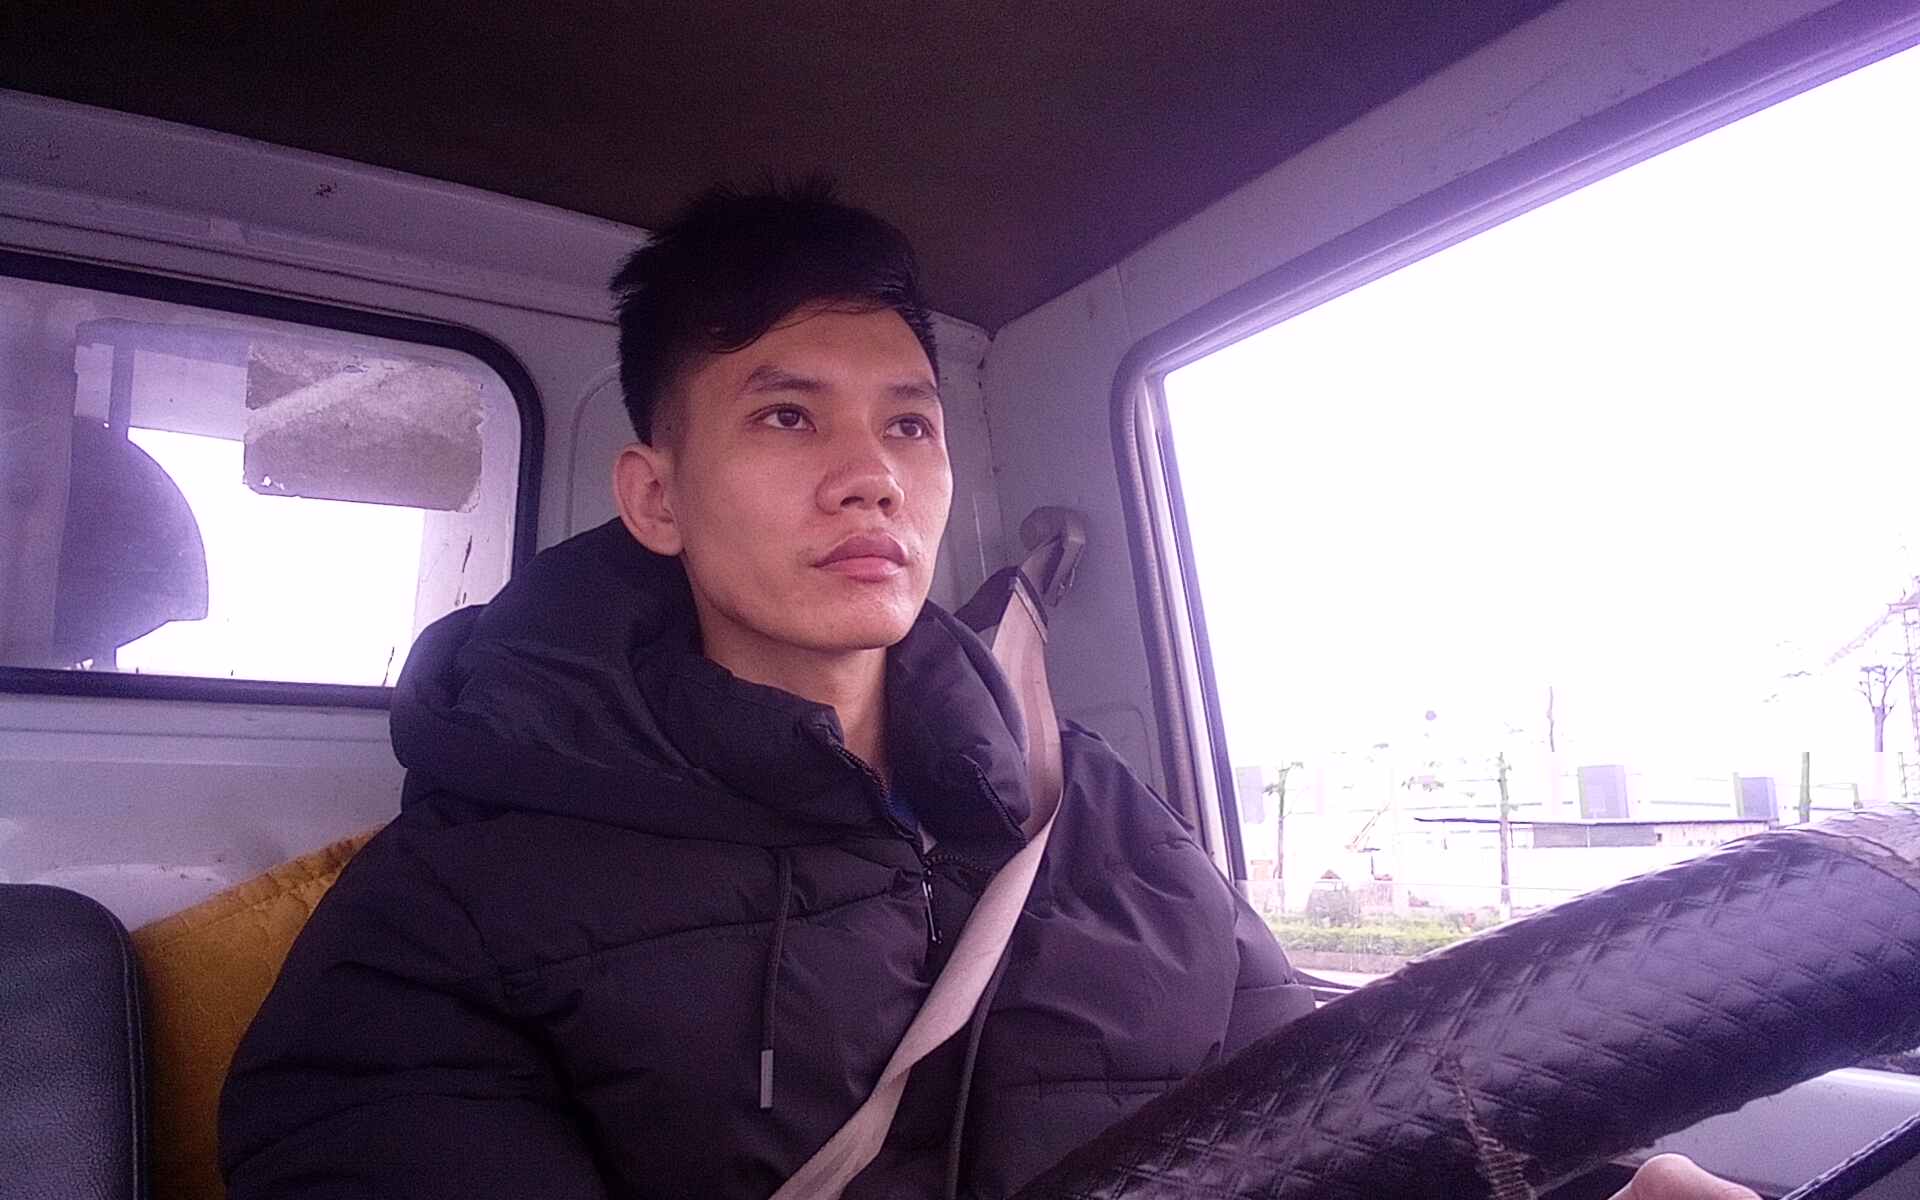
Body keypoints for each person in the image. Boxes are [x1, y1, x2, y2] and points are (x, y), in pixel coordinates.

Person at [218, 182, 1755, 1200]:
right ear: (656, 496)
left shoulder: (1092, 807)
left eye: (908, 425)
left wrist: (1598, 1185)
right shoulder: (452, 907)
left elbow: (1317, 1107)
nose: (870, 476)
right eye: (786, 417)